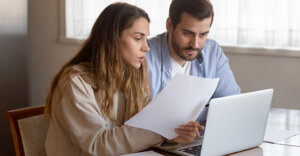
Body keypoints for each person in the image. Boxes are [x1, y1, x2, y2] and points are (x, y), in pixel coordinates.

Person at [44, 2, 202, 156]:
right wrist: (159, 132)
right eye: (138, 38)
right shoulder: (75, 82)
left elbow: (141, 130)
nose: (146, 47)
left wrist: (171, 134)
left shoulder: (133, 75)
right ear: (113, 39)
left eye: (146, 38)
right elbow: (97, 145)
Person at [146, 0, 241, 123]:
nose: (195, 44)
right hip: (157, 142)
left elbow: (231, 104)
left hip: (201, 139)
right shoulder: (144, 54)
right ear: (169, 25)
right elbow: (136, 119)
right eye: (188, 33)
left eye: (203, 35)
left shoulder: (213, 52)